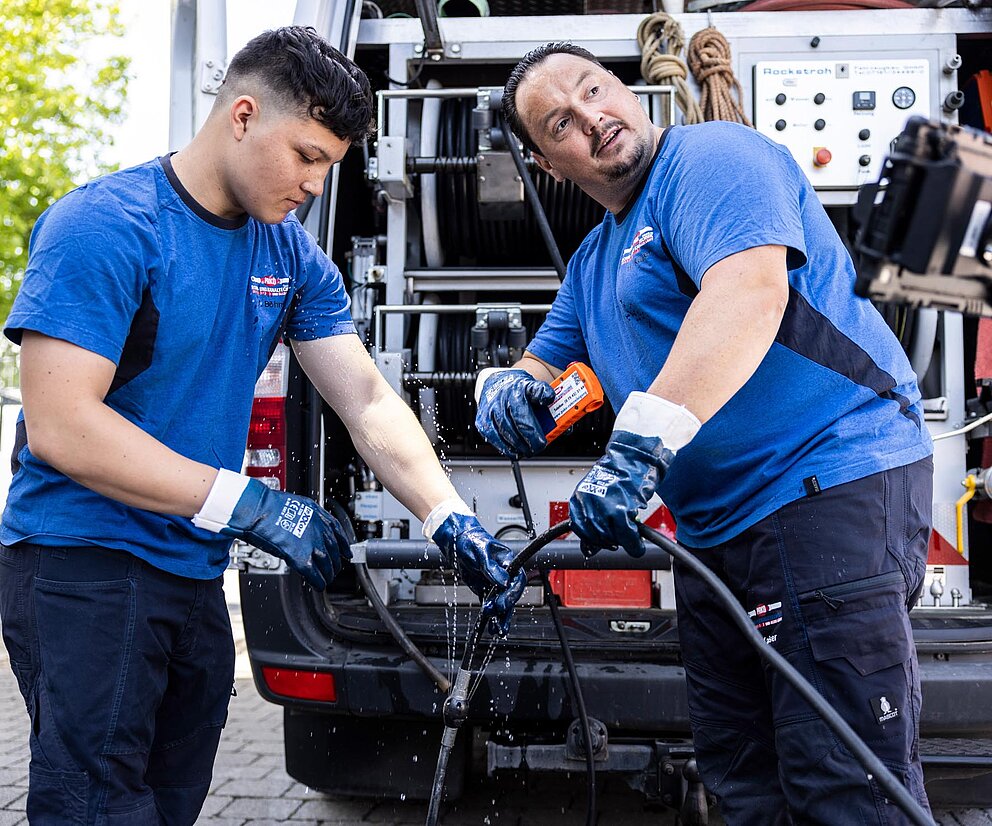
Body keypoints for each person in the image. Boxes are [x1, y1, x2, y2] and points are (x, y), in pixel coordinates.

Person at [0, 26, 523, 826]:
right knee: (96, 808)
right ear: (242, 115)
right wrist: (253, 505)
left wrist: (445, 514)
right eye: (308, 156)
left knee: (170, 805)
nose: (316, 185)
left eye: (330, 166)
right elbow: (64, 426)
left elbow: (367, 400)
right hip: (84, 566)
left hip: (188, 569)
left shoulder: (289, 254)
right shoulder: (107, 226)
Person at [477, 41, 934, 824]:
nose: (593, 118)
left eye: (595, 89)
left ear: (626, 88)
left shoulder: (710, 158)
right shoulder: (594, 262)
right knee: (743, 785)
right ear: (550, 166)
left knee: (843, 787)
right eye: (561, 122)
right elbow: (542, 362)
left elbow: (747, 291)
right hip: (719, 535)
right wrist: (505, 391)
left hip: (823, 487)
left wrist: (636, 450)